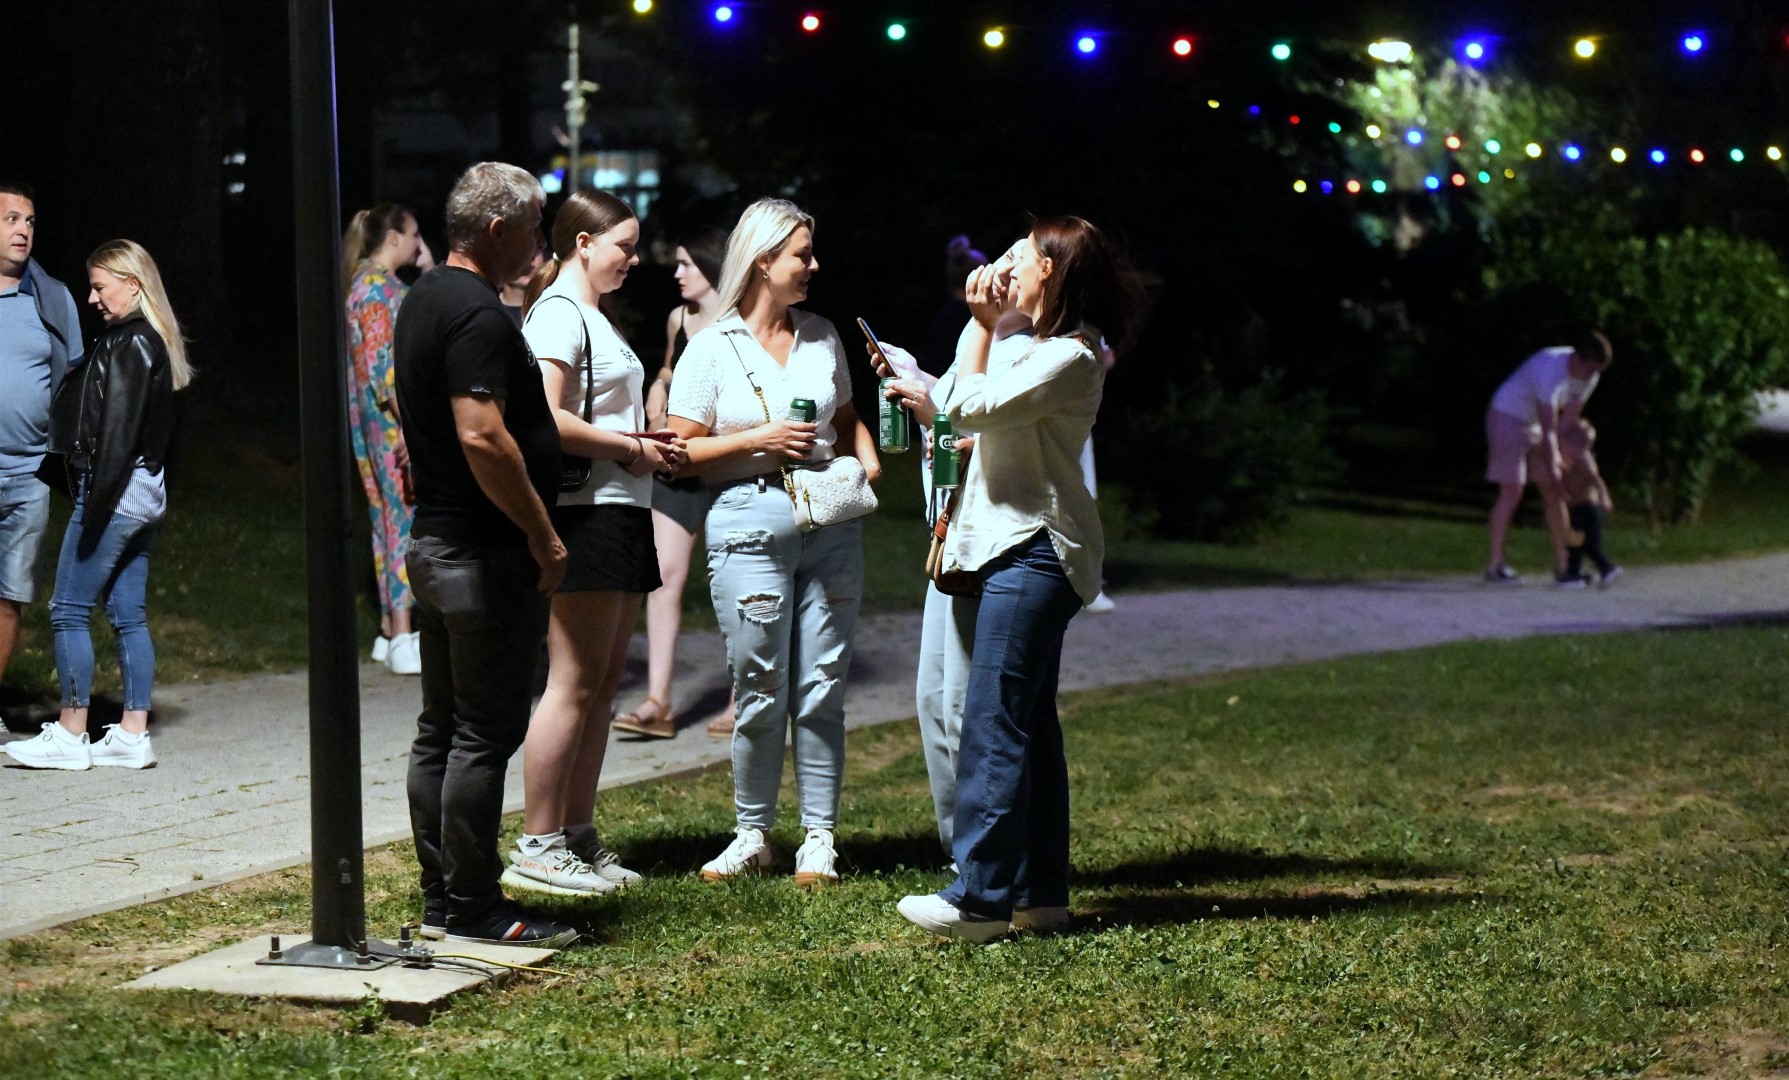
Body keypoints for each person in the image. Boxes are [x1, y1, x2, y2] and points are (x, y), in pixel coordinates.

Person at [897, 216, 1146, 942]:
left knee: (993, 722)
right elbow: (960, 412)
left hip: (1035, 548)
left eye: (1017, 257)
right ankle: (1041, 896)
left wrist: (976, 328)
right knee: (1029, 728)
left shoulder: (1072, 355)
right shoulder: (1028, 347)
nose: (1001, 267)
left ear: (1052, 272)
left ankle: (978, 899)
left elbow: (965, 407)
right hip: (1011, 547)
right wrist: (974, 340)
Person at [666, 197, 880, 885]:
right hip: (746, 524)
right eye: (801, 255)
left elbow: (847, 414)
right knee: (758, 686)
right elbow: (678, 452)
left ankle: (819, 838)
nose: (813, 266)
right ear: (762, 261)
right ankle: (752, 833)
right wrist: (759, 439)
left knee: (821, 686)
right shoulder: (712, 347)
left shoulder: (821, 335)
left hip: (830, 524)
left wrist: (867, 460)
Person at [394, 162, 575, 948]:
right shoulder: (475, 313)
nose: (540, 244)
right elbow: (482, 435)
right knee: (481, 735)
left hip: (436, 544)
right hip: (480, 553)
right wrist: (542, 533)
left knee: (442, 729)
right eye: (534, 228)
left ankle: (443, 898)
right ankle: (474, 907)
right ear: (497, 229)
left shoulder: (423, 298)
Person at [504, 190, 683, 897]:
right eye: (624, 247)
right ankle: (538, 842)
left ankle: (576, 834)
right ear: (583, 243)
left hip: (620, 509)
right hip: (584, 512)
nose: (634, 260)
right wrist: (633, 446)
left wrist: (638, 445)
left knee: (602, 685)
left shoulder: (593, 314)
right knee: (573, 682)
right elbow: (544, 420)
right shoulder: (558, 313)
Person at [5, 240, 190, 771]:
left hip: (114, 494)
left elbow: (117, 435)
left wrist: (95, 506)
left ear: (132, 284)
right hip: (144, 494)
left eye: (99, 287)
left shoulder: (129, 342)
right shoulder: (151, 339)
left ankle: (71, 732)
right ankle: (132, 734)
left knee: (68, 608)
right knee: (128, 613)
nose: (91, 298)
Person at [614, 226, 733, 740]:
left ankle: (743, 700)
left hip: (727, 466)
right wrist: (659, 385)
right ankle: (658, 702)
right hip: (678, 464)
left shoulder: (741, 323)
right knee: (663, 576)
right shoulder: (679, 319)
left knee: (735, 583)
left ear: (713, 267)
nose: (678, 273)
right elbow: (669, 365)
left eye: (687, 264)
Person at [0, 182, 82, 729]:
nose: (23, 230)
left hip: (29, 474)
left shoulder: (51, 298)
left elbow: (73, 383)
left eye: (29, 221)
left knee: (9, 596)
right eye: (11, 219)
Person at [342, 203, 423, 673]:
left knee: (386, 520)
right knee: (403, 519)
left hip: (369, 423)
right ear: (394, 237)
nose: (418, 244)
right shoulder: (376, 288)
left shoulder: (365, 283)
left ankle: (391, 630)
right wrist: (408, 424)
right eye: (414, 235)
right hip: (390, 425)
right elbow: (382, 369)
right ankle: (404, 633)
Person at [1483, 331, 1613, 587]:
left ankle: (1566, 566)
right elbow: (1549, 424)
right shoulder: (1549, 366)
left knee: (1555, 491)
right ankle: (1495, 564)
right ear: (1577, 358)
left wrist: (1563, 459)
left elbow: (1567, 421)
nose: (1590, 375)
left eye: (1596, 370)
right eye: (1589, 368)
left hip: (1534, 425)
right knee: (1512, 489)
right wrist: (1553, 461)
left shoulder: (1591, 377)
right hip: (1507, 416)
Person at [1559, 419, 1621, 588]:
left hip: (1588, 509)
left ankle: (1607, 567)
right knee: (1574, 542)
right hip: (1577, 509)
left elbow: (1596, 480)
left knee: (1590, 545)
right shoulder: (1572, 460)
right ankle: (1573, 573)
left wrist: (1604, 497)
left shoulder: (1584, 459)